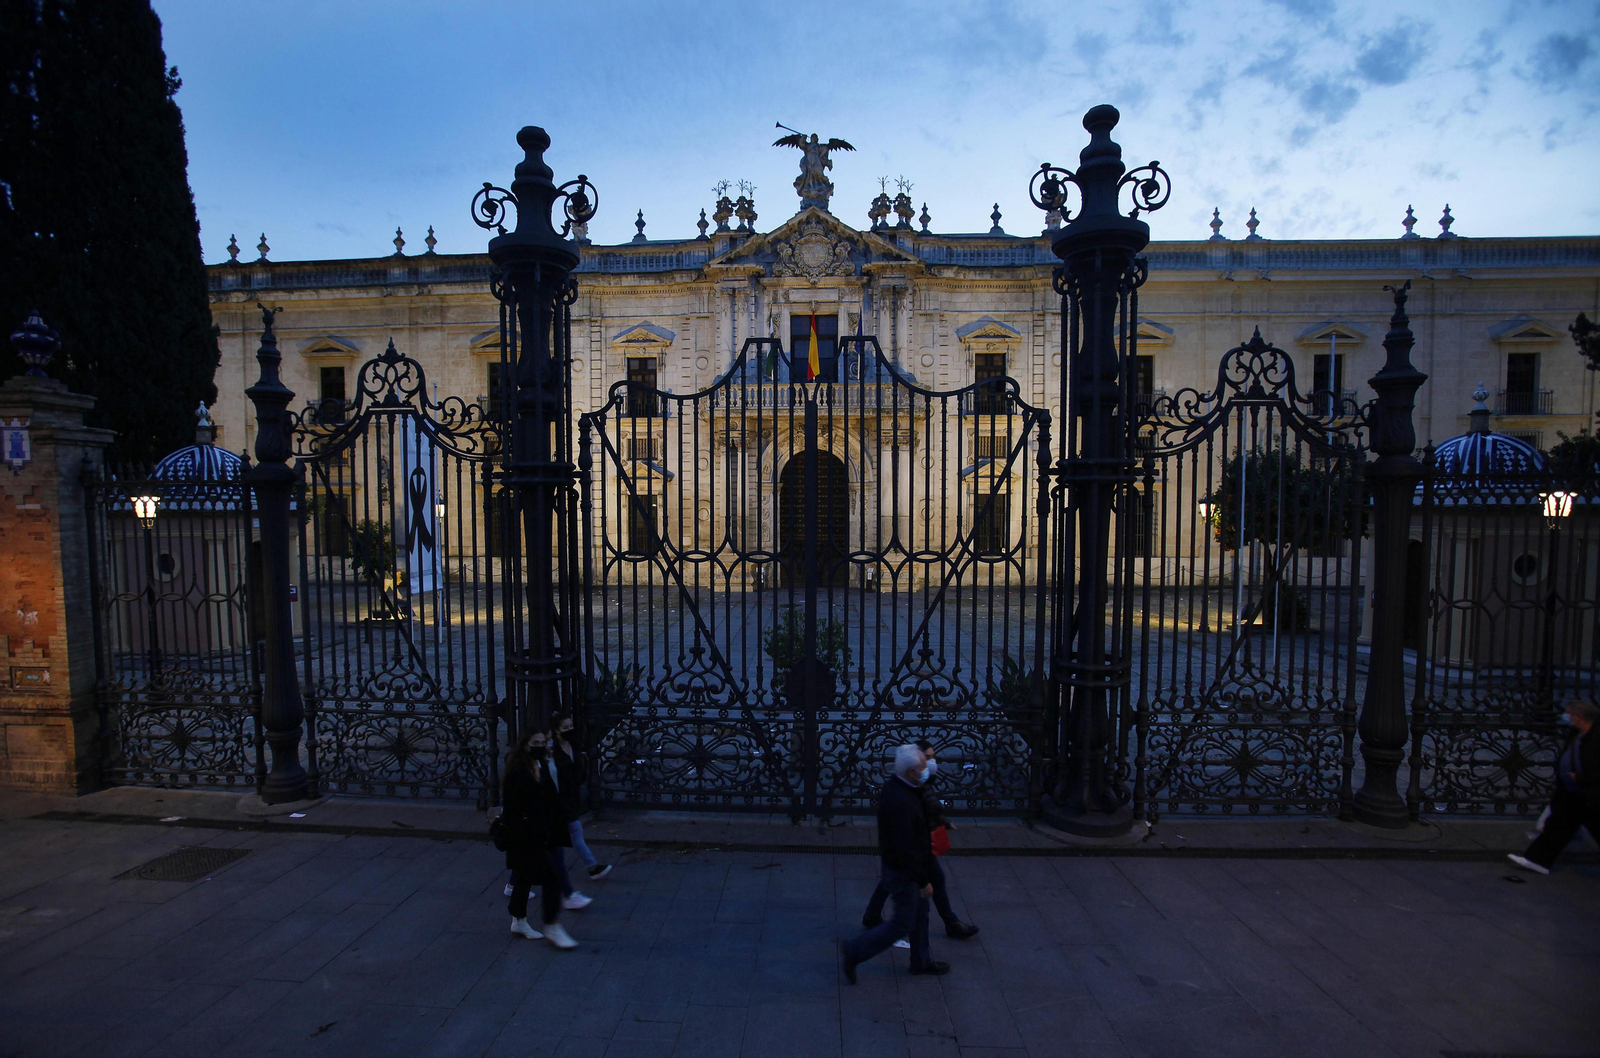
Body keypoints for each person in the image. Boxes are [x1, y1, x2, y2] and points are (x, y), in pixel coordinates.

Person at [841, 744, 949, 982]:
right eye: (923, 766)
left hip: (907, 865)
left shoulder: (902, 787)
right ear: (911, 771)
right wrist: (923, 881)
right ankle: (855, 950)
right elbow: (906, 848)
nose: (928, 769)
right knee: (903, 922)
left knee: (920, 914)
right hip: (905, 871)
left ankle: (921, 960)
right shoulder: (903, 802)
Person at [860, 739, 979, 942]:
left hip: (916, 845)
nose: (932, 762)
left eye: (933, 757)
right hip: (919, 845)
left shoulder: (913, 781)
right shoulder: (913, 785)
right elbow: (925, 808)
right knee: (926, 885)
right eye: (928, 758)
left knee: (899, 879)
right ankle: (949, 924)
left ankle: (873, 915)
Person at [498, 726, 578, 949]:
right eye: (536, 743)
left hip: (541, 833)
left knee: (523, 878)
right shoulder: (517, 773)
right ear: (525, 745)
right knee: (551, 879)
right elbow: (512, 811)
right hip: (526, 837)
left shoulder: (541, 764)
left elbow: (550, 798)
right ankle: (551, 925)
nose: (541, 746)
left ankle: (518, 921)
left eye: (543, 742)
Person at [1508, 699, 1600, 875]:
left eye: (1569, 714)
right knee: (1559, 825)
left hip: (1590, 791)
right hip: (1575, 791)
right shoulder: (1577, 733)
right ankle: (1537, 860)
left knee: (1568, 825)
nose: (1566, 717)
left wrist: (1582, 778)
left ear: (1579, 717)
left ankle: (1538, 860)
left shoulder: (1595, 736)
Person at [553, 712, 612, 882]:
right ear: (557, 730)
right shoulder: (553, 751)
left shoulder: (573, 744)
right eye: (565, 727)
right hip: (559, 800)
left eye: (571, 726)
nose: (569, 729)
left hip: (570, 798)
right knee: (572, 833)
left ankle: (591, 866)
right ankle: (591, 867)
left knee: (571, 834)